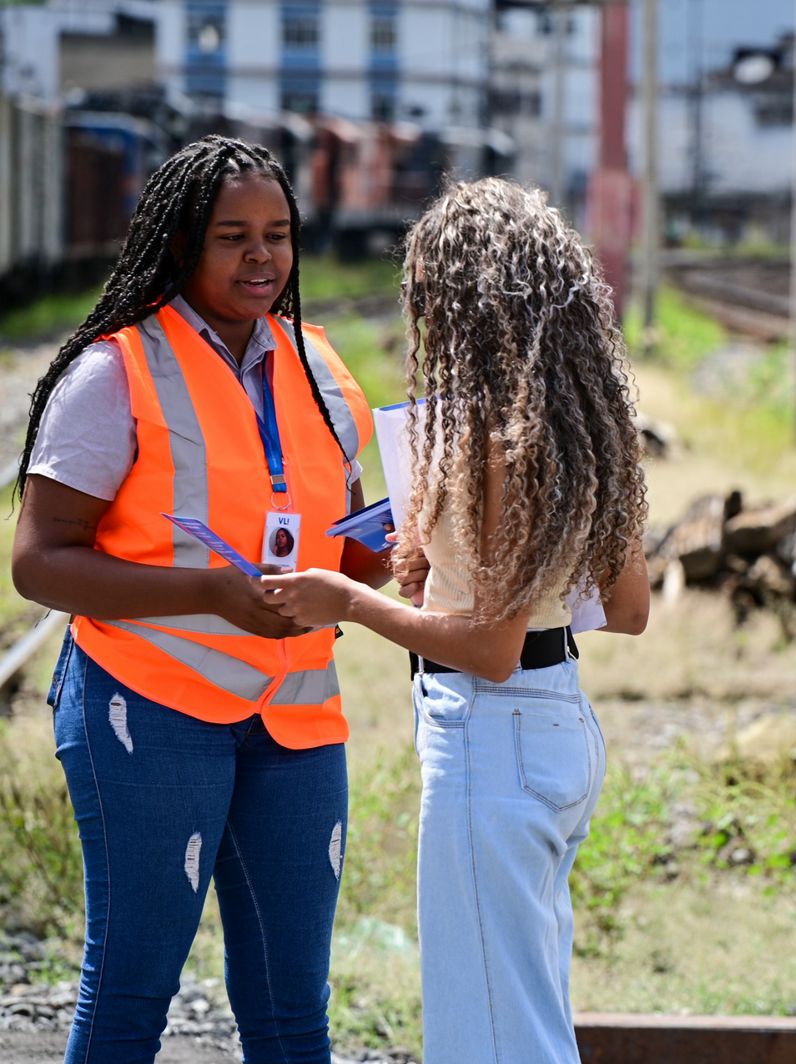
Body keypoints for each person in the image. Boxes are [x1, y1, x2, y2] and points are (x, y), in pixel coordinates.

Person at [11, 135, 393, 1064]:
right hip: (145, 706)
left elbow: (339, 542)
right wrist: (210, 594)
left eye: (278, 234)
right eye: (233, 237)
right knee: (134, 992)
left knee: (292, 1008)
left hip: (297, 717)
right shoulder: (115, 372)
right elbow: (39, 562)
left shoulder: (321, 368)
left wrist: (386, 557)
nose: (262, 257)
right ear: (181, 242)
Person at [262, 177, 650, 1064]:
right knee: (528, 1013)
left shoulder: (484, 436)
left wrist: (345, 600)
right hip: (563, 733)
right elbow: (627, 611)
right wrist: (444, 561)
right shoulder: (589, 424)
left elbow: (488, 649)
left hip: (492, 733)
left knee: (487, 1036)